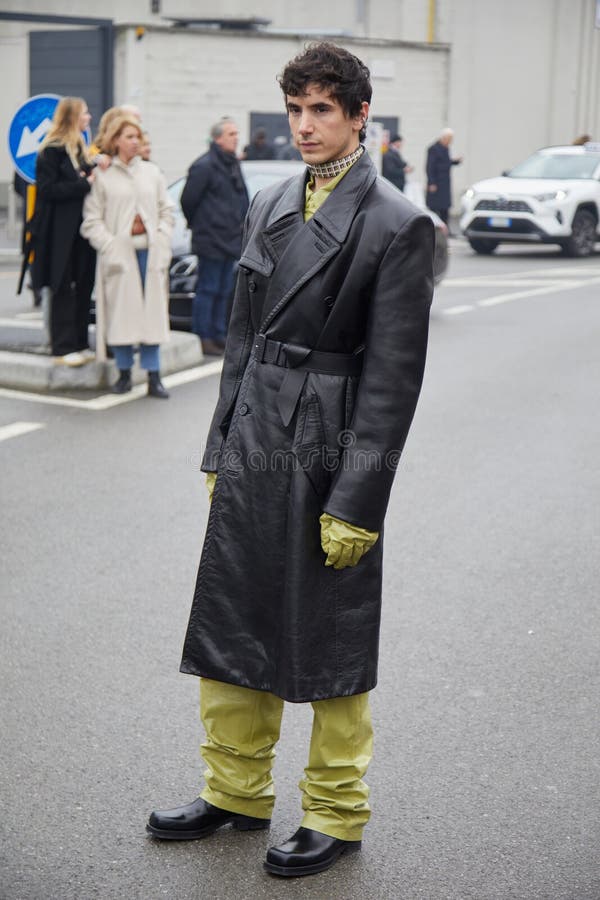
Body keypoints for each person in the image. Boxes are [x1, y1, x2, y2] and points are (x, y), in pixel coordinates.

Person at [146, 42, 434, 878]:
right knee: (234, 614)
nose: (305, 126)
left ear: (357, 117)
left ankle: (337, 812)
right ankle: (234, 793)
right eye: (296, 110)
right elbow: (239, 341)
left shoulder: (398, 222)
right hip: (254, 442)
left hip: (330, 444)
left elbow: (393, 380)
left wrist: (360, 500)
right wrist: (219, 445)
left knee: (330, 635)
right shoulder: (268, 198)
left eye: (322, 110)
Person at [80, 115, 174, 398]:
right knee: (122, 315)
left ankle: (154, 375)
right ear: (116, 140)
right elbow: (91, 219)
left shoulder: (152, 173)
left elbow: (166, 209)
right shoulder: (104, 176)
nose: (136, 142)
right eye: (130, 137)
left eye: (138, 137)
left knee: (152, 316)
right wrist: (110, 246)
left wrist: (162, 235)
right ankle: (123, 373)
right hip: (120, 256)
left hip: (151, 251)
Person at [30, 97, 96, 366]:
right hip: (59, 234)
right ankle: (63, 346)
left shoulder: (80, 150)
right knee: (62, 287)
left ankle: (80, 341)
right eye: (84, 113)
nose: (89, 118)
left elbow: (85, 177)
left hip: (81, 232)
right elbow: (46, 190)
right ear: (72, 118)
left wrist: (94, 169)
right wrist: (83, 184)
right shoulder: (52, 150)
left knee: (83, 285)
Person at [180, 118, 249, 356]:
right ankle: (204, 336)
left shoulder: (232, 164)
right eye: (231, 133)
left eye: (236, 133)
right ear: (218, 138)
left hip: (230, 238)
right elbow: (187, 201)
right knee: (208, 289)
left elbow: (241, 199)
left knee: (224, 289)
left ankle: (219, 334)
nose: (236, 137)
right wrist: (201, 224)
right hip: (210, 238)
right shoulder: (204, 166)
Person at [426, 127, 463, 226]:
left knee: (445, 207)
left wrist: (455, 161)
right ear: (444, 138)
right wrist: (431, 182)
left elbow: (444, 162)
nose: (451, 141)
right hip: (436, 182)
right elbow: (430, 166)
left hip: (445, 183)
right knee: (434, 207)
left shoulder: (446, 148)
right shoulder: (433, 149)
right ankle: (434, 227)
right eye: (450, 139)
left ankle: (445, 228)